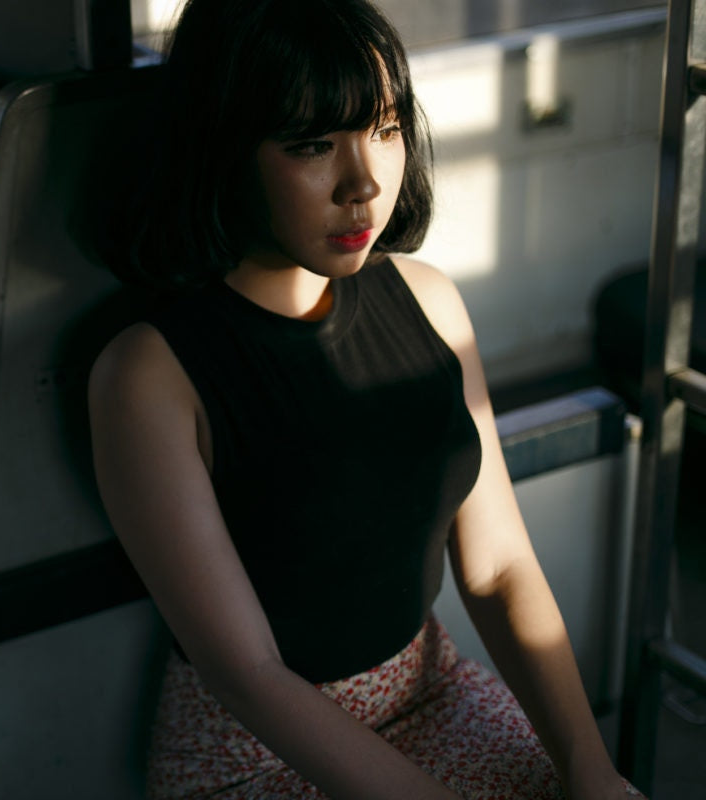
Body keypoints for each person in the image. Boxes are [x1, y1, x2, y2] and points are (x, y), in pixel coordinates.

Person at [86, 0, 642, 798]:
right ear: (224, 152)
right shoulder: (148, 376)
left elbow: (499, 567)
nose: (366, 183)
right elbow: (249, 675)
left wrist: (594, 772)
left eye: (384, 129)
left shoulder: (431, 300)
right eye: (312, 145)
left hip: (432, 690)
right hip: (255, 754)